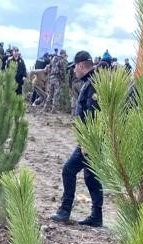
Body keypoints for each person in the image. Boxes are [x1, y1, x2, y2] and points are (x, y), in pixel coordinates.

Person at [50, 51, 103, 227]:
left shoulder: (94, 84)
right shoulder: (92, 81)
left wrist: (87, 141)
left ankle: (64, 210)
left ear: (81, 65)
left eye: (75, 68)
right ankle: (96, 217)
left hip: (91, 140)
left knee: (68, 170)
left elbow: (92, 114)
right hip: (93, 139)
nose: (73, 72)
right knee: (91, 177)